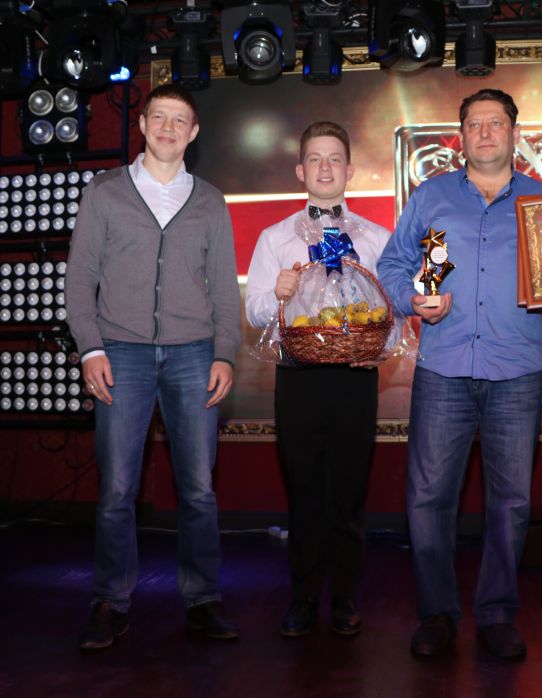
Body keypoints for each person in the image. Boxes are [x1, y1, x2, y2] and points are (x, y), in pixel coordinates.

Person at [378, 89, 542, 660]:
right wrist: (412, 299)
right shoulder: (431, 197)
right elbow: (394, 264)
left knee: (511, 502)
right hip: (443, 366)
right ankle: (436, 614)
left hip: (515, 371)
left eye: (496, 123)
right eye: (474, 124)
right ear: (461, 136)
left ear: (514, 133)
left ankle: (497, 614)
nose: (485, 132)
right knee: (428, 498)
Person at [66, 84, 242, 650]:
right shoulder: (104, 191)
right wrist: (91, 348)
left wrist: (224, 352)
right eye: (159, 117)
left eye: (179, 120)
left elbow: (225, 288)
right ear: (142, 125)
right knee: (117, 488)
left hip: (195, 354)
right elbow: (79, 277)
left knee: (199, 489)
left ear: (193, 133)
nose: (168, 127)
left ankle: (203, 599)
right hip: (119, 352)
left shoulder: (210, 201)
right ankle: (110, 601)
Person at [245, 122, 390, 638]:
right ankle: (303, 597)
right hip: (298, 378)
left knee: (349, 492)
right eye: (315, 159)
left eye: (334, 159)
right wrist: (278, 294)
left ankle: (345, 597)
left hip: (355, 378)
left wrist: (380, 348)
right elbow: (255, 311)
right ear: (300, 171)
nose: (325, 167)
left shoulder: (377, 238)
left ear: (350, 171)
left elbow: (393, 310)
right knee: (304, 492)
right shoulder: (275, 237)